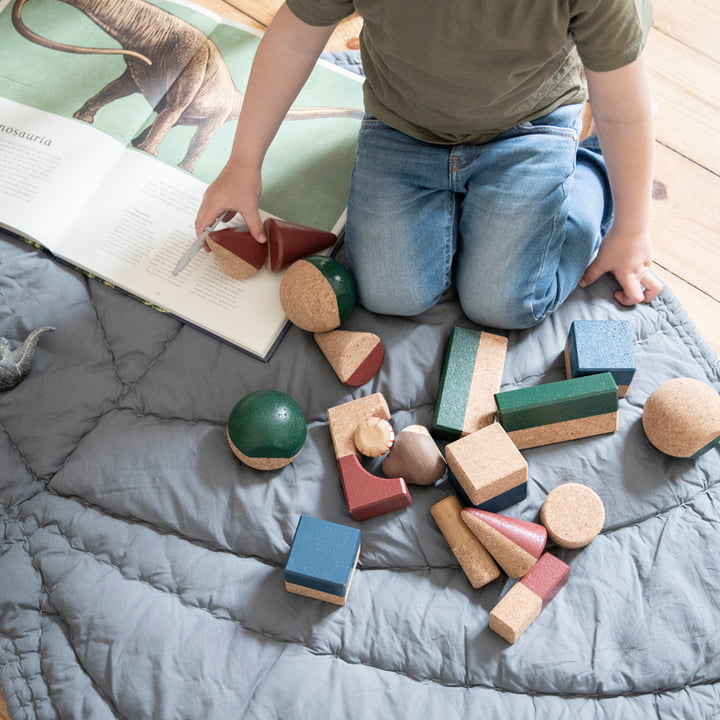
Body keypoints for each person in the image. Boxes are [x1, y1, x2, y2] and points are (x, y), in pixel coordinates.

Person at [195, 0, 663, 329]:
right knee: (389, 294)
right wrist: (243, 162)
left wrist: (629, 231)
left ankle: (593, 167)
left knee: (505, 305)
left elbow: (625, 107)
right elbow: (295, 39)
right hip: (403, 126)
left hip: (528, 126)